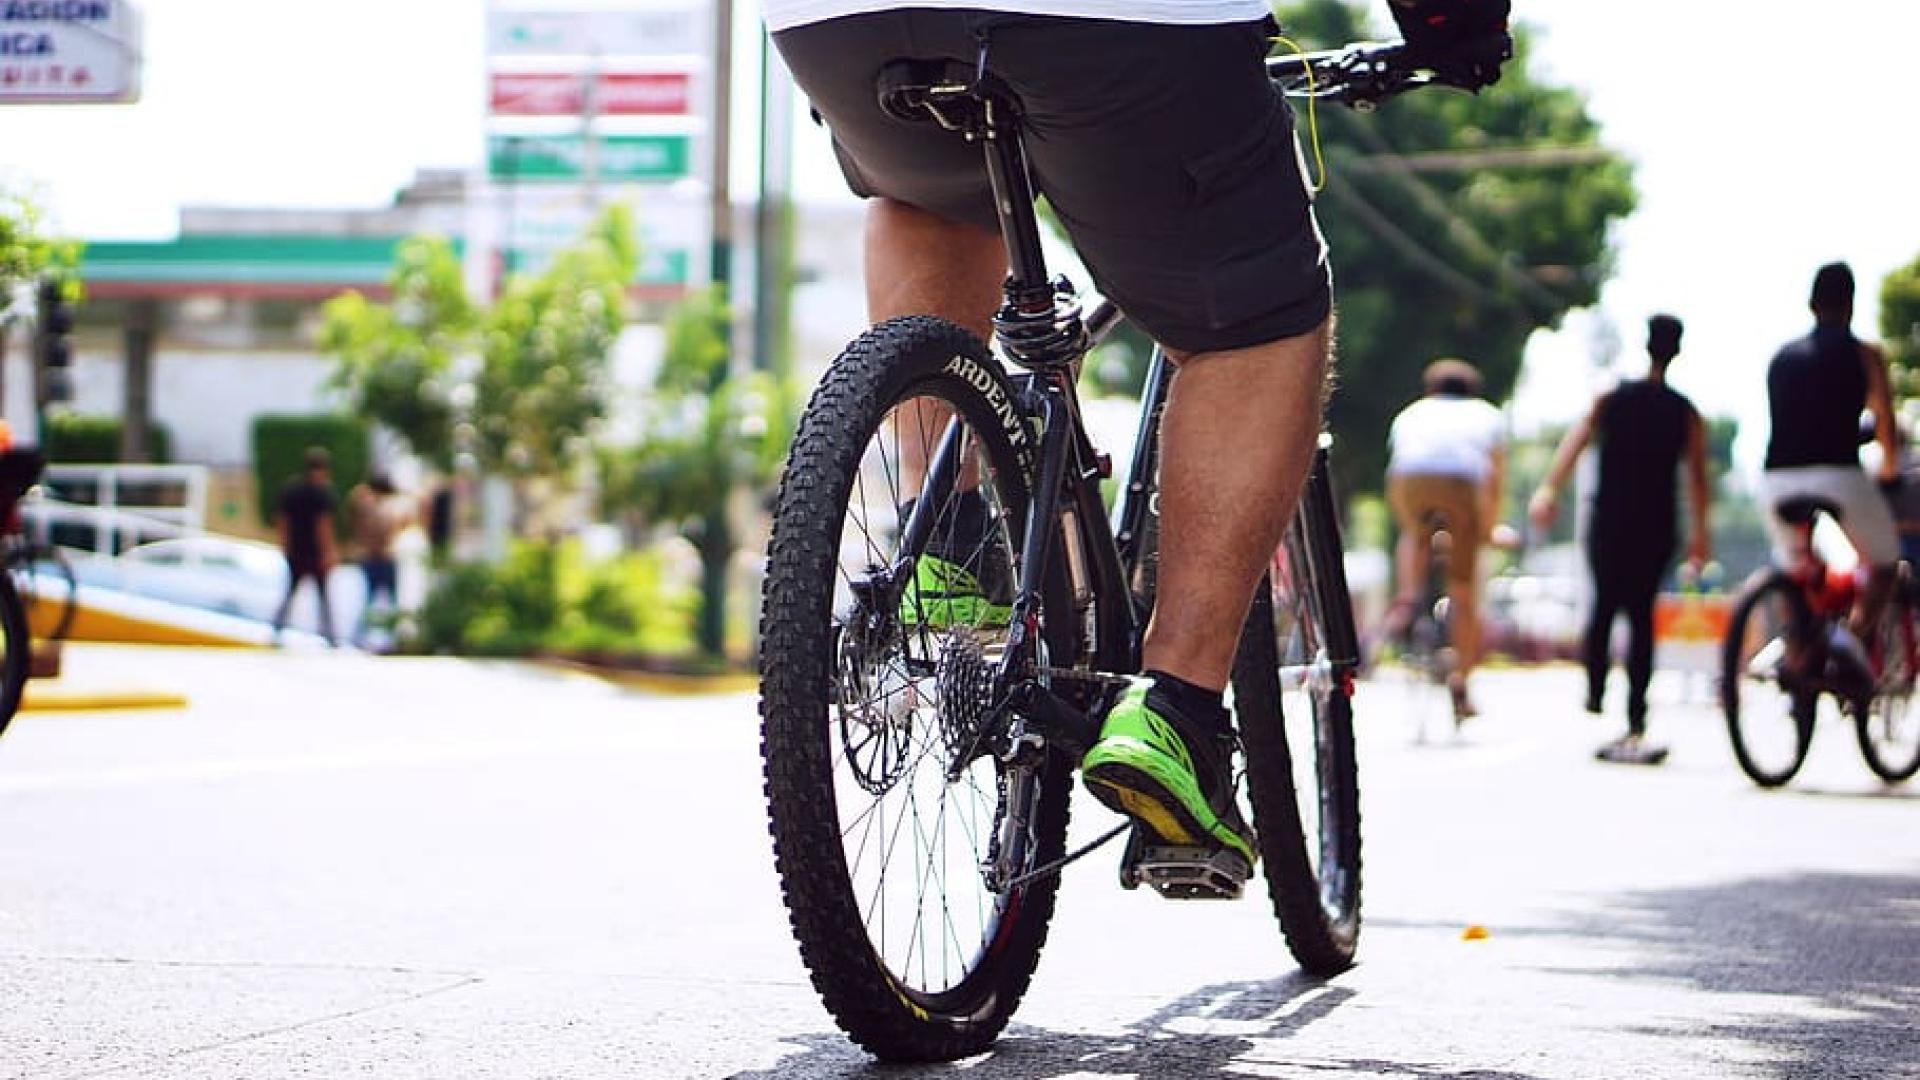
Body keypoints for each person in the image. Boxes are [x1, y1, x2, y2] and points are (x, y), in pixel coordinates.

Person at [766, 1, 1511, 862]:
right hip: (1121, 24)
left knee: (923, 189)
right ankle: (1179, 712)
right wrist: (1452, 26)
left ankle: (949, 550)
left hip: (838, 22)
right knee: (1257, 322)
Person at [1529, 315, 1710, 764]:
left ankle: (1595, 688)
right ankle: (1636, 712)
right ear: (1677, 351)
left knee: (1606, 603)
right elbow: (1698, 480)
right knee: (1641, 614)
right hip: (1656, 523)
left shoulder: (1611, 398)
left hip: (1609, 518)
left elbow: (1576, 440)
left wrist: (1549, 488)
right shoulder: (1684, 412)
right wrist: (1700, 537)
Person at [1761, 262, 1900, 693]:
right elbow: (1885, 423)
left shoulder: (1781, 356)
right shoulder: (1864, 353)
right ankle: (1849, 640)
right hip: (1838, 474)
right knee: (1884, 564)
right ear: (1852, 305)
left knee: (1798, 569)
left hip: (1775, 480)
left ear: (1811, 304)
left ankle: (1796, 649)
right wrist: (1891, 468)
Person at [1382, 358, 1506, 721]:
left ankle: (1407, 599)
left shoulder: (1412, 413)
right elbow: (1495, 479)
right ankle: (1461, 682)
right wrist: (1488, 528)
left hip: (1409, 481)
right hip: (1462, 484)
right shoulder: (1487, 414)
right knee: (1464, 591)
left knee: (1414, 532)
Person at [271, 447, 338, 647]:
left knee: (290, 591)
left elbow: (282, 520)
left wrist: (284, 545)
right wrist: (328, 552)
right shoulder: (321, 492)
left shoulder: (291, 489)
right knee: (323, 595)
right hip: (314, 552)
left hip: (296, 550)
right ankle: (329, 636)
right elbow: (323, 525)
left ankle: (277, 629)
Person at [347, 469, 412, 649]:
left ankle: (383, 637)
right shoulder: (369, 505)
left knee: (382, 599)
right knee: (374, 599)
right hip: (377, 556)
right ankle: (366, 636)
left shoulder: (377, 505)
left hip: (379, 556)